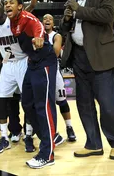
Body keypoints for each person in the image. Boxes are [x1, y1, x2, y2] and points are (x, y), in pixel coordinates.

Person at [60, 0, 114, 160]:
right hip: (79, 57)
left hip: (100, 56)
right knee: (84, 105)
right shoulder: (74, 1)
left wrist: (78, 10)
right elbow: (65, 30)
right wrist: (66, 20)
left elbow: (107, 16)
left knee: (107, 105)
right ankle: (93, 144)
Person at [5, 0, 57, 169]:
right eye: (6, 3)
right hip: (32, 63)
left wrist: (40, 37)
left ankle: (47, 154)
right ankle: (48, 136)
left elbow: (38, 26)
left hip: (44, 62)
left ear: (20, 6)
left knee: (44, 106)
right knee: (27, 103)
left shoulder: (27, 17)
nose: (7, 5)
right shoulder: (13, 22)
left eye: (11, 2)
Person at [0, 0, 36, 154]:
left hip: (22, 61)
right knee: (2, 99)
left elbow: (30, 7)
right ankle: (4, 138)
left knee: (28, 101)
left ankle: (29, 135)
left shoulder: (16, 21)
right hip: (7, 64)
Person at [42, 14, 77, 143]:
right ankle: (43, 132)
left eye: (50, 19)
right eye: (45, 19)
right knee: (43, 104)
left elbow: (56, 53)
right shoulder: (37, 33)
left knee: (62, 101)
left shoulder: (56, 36)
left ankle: (69, 127)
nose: (47, 20)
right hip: (41, 71)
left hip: (54, 72)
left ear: (53, 23)